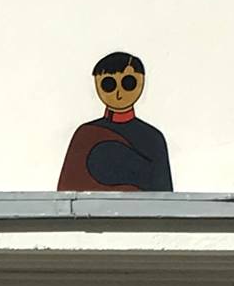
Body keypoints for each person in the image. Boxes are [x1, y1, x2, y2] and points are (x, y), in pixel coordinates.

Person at [56, 50, 173, 191]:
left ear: (141, 82)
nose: (118, 93)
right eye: (109, 85)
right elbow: (68, 191)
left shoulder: (153, 138)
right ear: (97, 86)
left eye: (128, 83)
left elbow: (164, 198)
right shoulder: (85, 134)